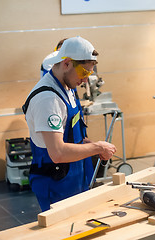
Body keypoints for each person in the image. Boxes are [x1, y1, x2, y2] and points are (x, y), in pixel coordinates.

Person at [23, 36, 116, 211]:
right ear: (66, 64)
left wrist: (90, 144)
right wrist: (98, 148)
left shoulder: (68, 88)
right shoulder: (48, 98)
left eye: (89, 74)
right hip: (56, 180)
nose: (85, 80)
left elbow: (72, 132)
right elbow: (57, 153)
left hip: (75, 174)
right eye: (83, 73)